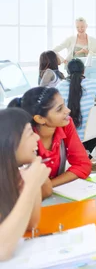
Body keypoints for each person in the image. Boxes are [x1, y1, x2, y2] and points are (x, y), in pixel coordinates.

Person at [8, 87, 92, 198]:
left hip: (50, 195)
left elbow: (83, 165)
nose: (68, 110)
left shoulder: (66, 124)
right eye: (59, 109)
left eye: (64, 105)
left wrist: (49, 186)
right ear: (40, 119)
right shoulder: (25, 138)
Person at [0, 108, 50, 261]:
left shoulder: (13, 175)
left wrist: (33, 181)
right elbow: (2, 251)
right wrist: (31, 186)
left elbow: (31, 223)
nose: (37, 137)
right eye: (30, 133)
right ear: (10, 142)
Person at [56, 59, 96, 155]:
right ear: (84, 70)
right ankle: (86, 155)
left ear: (67, 71)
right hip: (90, 137)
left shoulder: (60, 86)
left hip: (67, 136)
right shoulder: (93, 83)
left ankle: (82, 156)